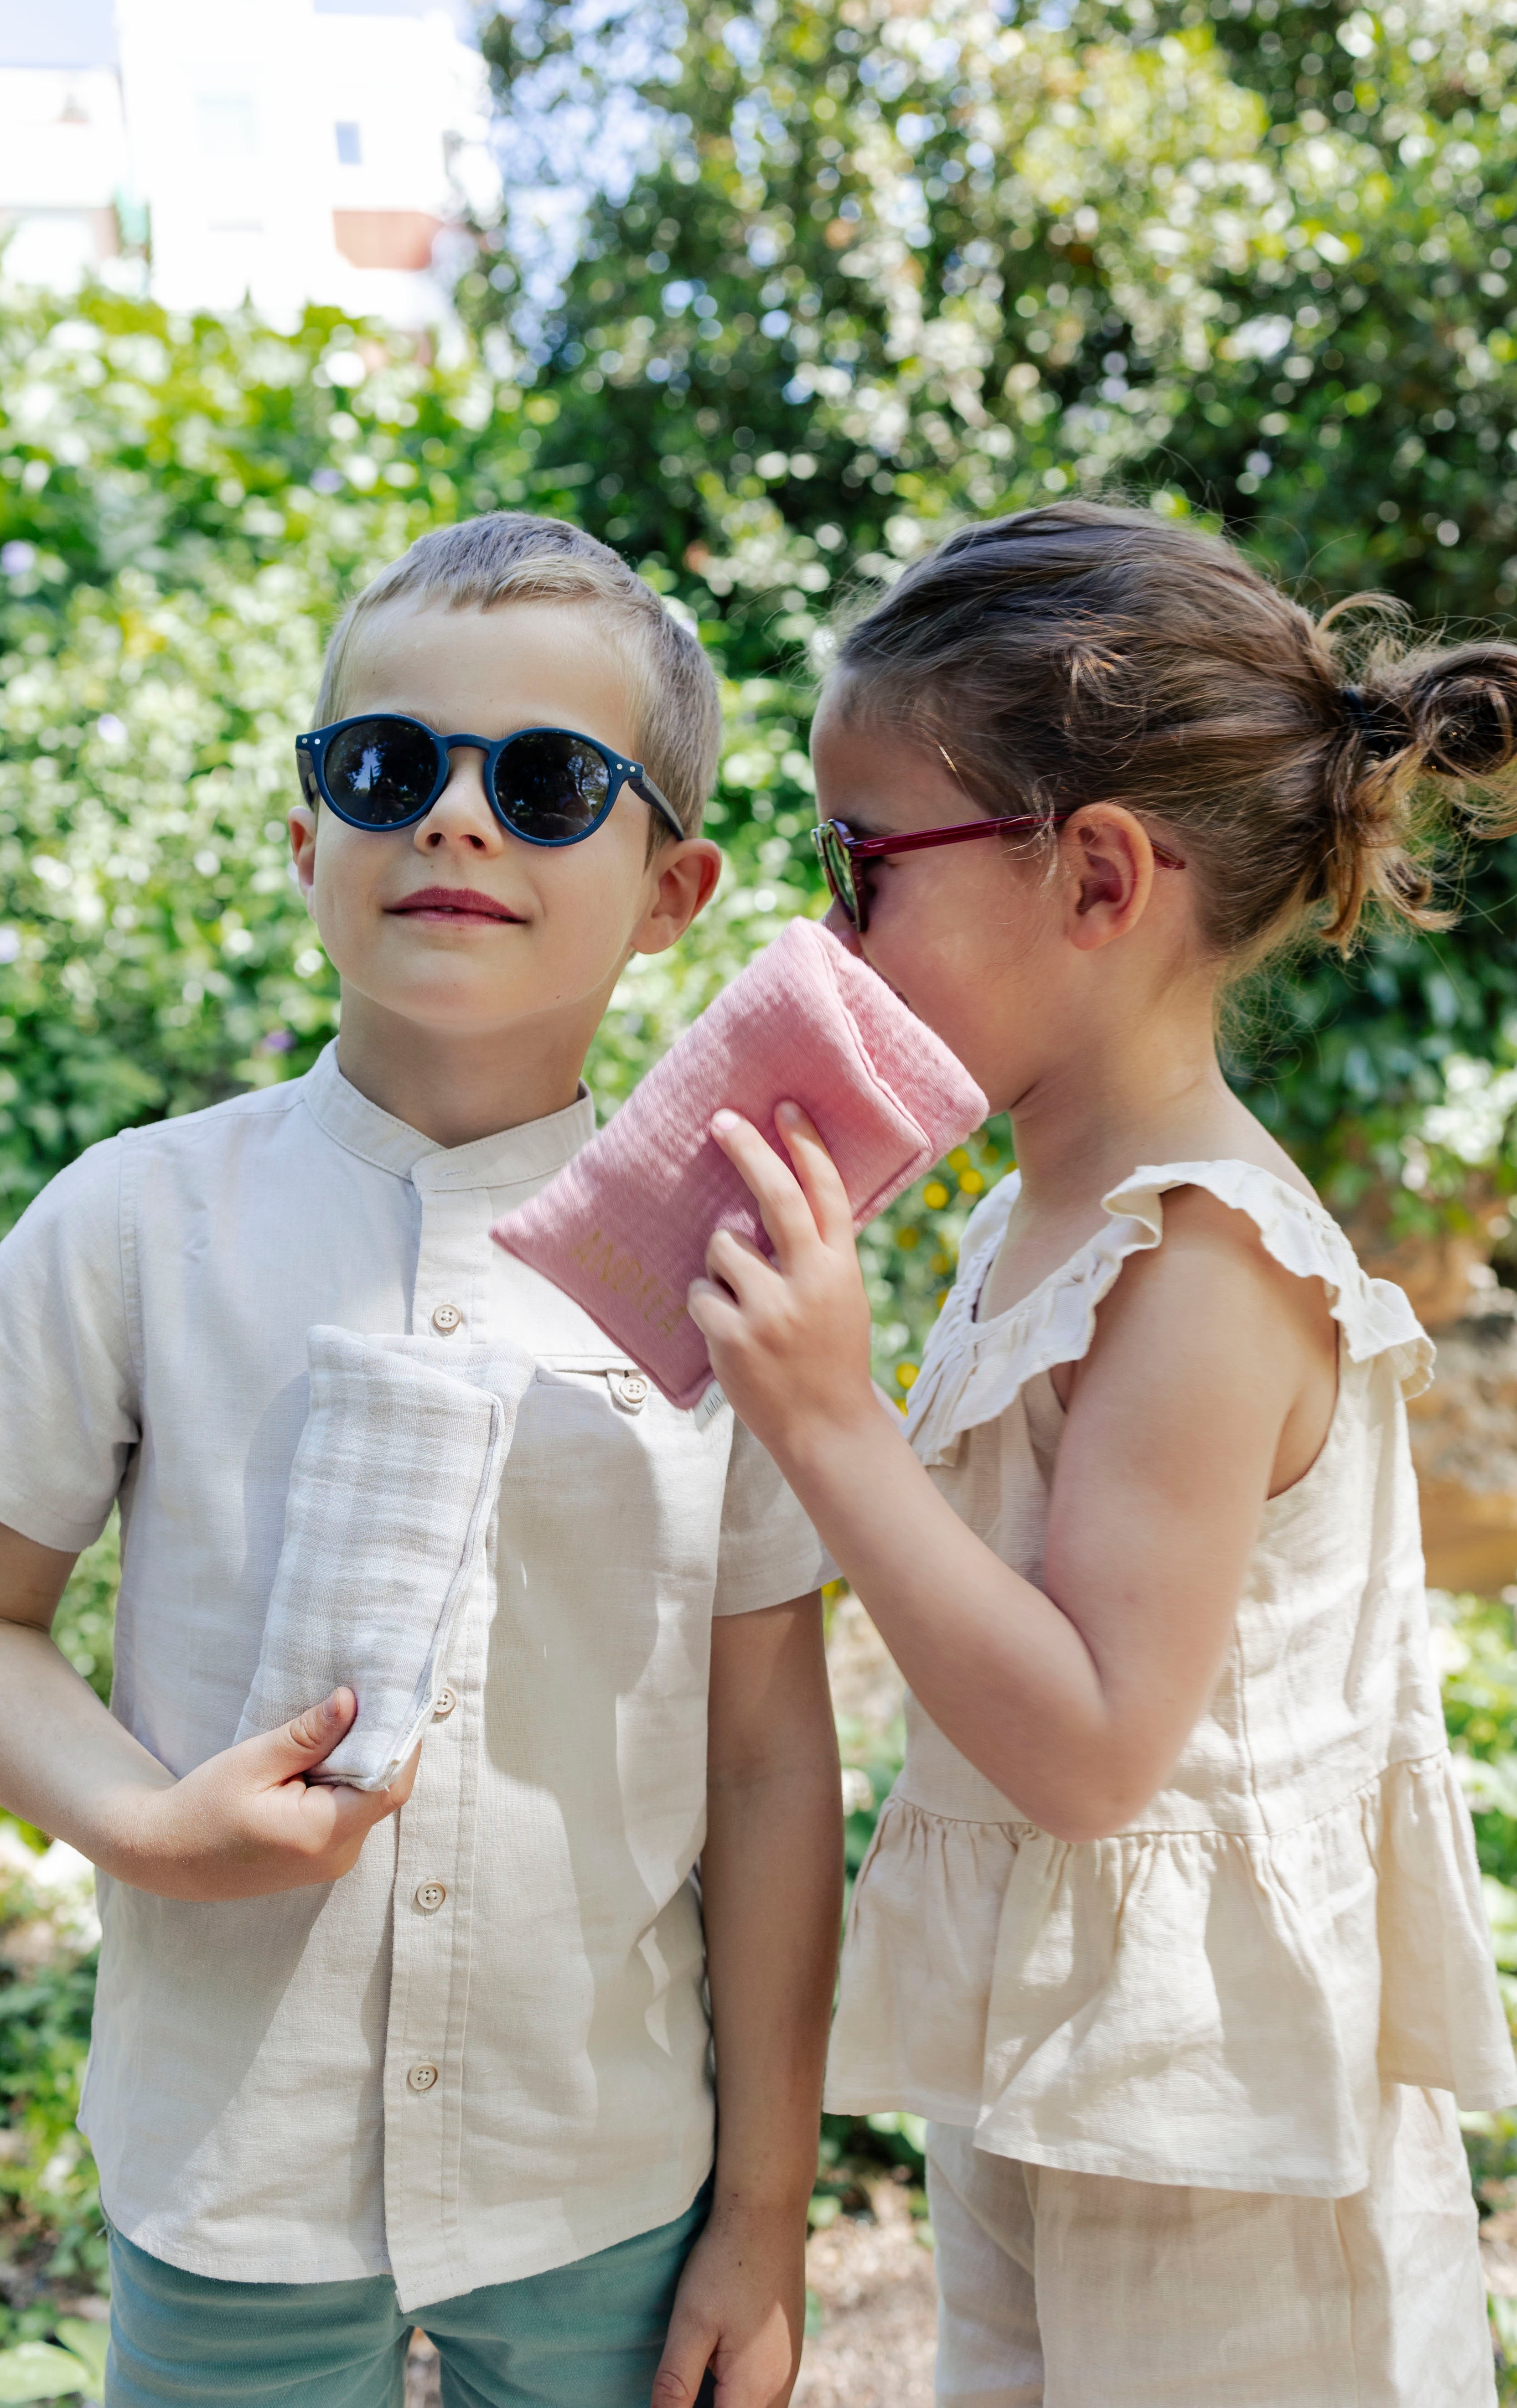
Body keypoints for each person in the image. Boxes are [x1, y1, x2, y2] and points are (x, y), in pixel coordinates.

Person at [0, 514, 842, 2408]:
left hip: (599, 2169)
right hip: (228, 2164)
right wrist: (144, 1826)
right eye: (387, 767)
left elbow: (765, 1759)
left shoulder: (742, 1279)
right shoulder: (140, 1218)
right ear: (304, 839)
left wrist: (765, 2208)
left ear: (672, 890)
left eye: (549, 782)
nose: (457, 821)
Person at [685, 500, 1517, 2406]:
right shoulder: (1028, 1219)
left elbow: (1088, 1747)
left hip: (1225, 2148)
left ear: (1094, 877)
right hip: (1069, 2061)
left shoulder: (1201, 1261)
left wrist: (825, 1415)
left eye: (860, 863)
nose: (826, 934)